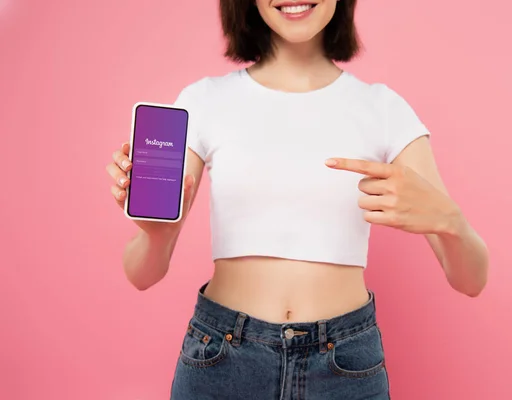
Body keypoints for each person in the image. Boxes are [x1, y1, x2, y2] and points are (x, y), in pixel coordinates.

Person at [106, 0, 489, 398]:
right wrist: (153, 235)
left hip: (345, 366)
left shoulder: (384, 109)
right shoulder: (203, 102)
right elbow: (142, 274)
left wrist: (451, 221)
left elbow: (471, 280)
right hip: (223, 361)